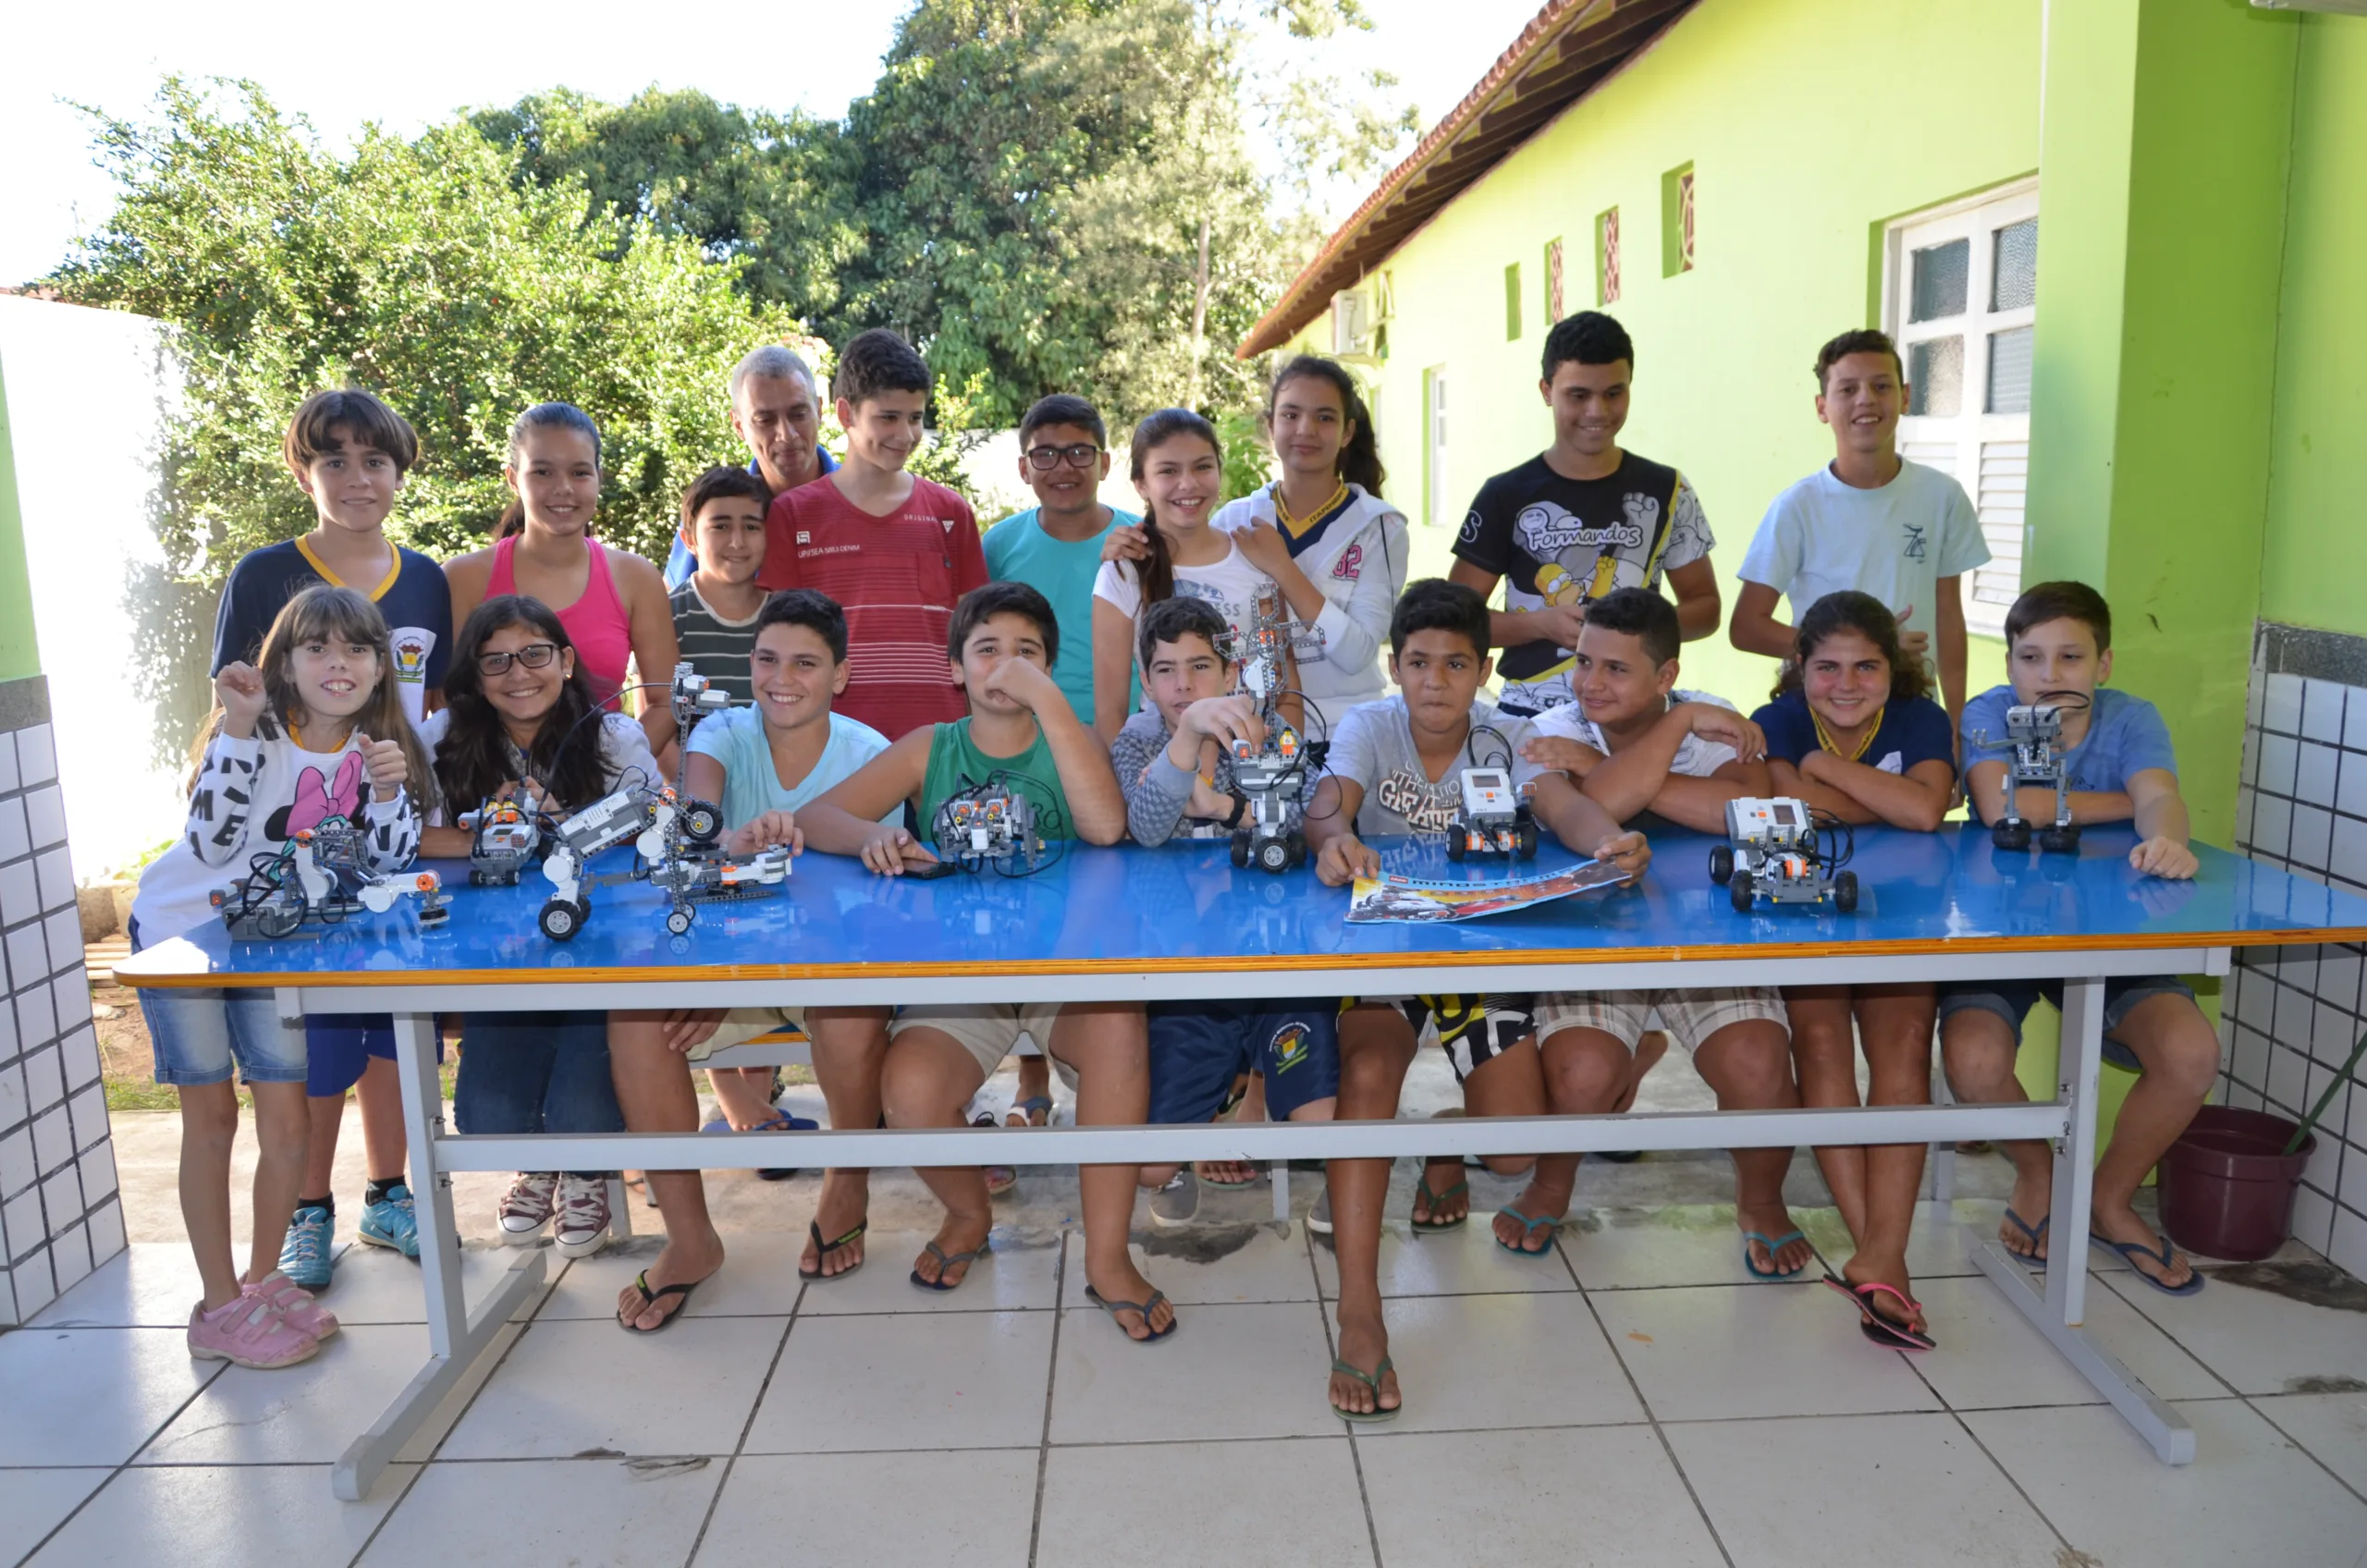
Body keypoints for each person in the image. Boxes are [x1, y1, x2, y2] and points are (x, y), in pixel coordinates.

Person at [1306, 579, 1649, 1420]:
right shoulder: (1367, 726)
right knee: (1369, 1083)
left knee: (1512, 1152)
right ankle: (1360, 1310)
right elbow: (1329, 805)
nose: (1434, 681)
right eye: (1418, 663)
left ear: (1483, 669)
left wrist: (1605, 839)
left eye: (1455, 664)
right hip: (1383, 961)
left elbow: (1560, 802)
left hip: (1474, 963)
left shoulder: (1510, 734)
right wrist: (1333, 838)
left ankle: (1449, 1146)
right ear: (1394, 666)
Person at [798, 582, 1176, 1341]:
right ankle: (969, 1212)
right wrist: (873, 838)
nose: (1007, 665)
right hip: (960, 981)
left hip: (1065, 976)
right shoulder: (929, 749)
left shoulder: (1071, 745)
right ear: (956, 668)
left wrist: (1050, 704)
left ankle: (1107, 1257)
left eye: (1028, 652)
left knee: (1122, 1034)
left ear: (1051, 667)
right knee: (908, 1092)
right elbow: (817, 816)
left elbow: (1104, 828)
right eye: (988, 650)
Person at [130, 584, 430, 1367]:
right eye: (318, 648)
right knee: (213, 1120)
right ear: (286, 665)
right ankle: (217, 1303)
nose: (340, 663)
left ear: (378, 668)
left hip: (271, 950)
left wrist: (393, 791)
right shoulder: (255, 735)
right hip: (186, 942)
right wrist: (234, 727)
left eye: (357, 650)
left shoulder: (374, 752)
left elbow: (386, 865)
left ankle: (262, 1284)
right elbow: (212, 840)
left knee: (289, 1122)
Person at [607, 592, 900, 1331]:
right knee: (636, 1017)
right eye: (767, 659)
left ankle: (847, 1185)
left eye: (806, 662)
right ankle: (691, 1239)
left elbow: (871, 910)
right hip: (733, 960)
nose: (782, 677)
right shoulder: (722, 733)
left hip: (830, 965)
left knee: (849, 1007)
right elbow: (697, 822)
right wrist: (724, 849)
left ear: (841, 674)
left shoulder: (872, 756)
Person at [213, 389, 448, 1293]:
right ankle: (312, 1206)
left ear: (399, 472)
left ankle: (391, 1195)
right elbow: (233, 707)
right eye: (335, 460)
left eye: (375, 461)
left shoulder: (425, 577)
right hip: (292, 851)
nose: (358, 478)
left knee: (397, 1031)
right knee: (316, 1036)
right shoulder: (265, 572)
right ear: (300, 469)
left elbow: (443, 707)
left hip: (395, 830)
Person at [1517, 587, 1812, 1278]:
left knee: (1758, 1065)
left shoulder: (1718, 723)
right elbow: (1588, 812)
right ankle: (1551, 1184)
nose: (1590, 683)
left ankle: (1763, 1203)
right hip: (1596, 934)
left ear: (1666, 677)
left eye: (1615, 669)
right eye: (1583, 661)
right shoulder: (1548, 723)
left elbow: (1756, 810)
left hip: (1707, 934)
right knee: (1583, 1073)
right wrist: (1673, 738)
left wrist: (1617, 764)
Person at [1941, 581, 2217, 1295]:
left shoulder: (2133, 718)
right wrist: (2125, 803)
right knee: (1972, 1064)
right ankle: (2042, 1172)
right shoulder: (1988, 714)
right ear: (2008, 666)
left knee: (2190, 1053)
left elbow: (2160, 797)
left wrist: (2168, 840)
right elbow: (2010, 807)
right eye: (2031, 657)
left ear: (2104, 663)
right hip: (1997, 930)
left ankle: (2107, 1198)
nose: (2050, 673)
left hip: (2111, 931)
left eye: (2070, 656)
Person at [420, 596, 655, 1264]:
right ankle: (539, 1162)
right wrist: (498, 836)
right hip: (496, 953)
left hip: (600, 944)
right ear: (474, 674)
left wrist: (566, 827)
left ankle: (583, 1166)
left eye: (535, 654)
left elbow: (649, 824)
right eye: (495, 660)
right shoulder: (441, 738)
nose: (517, 673)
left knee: (585, 1102)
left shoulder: (612, 737)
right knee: (485, 1117)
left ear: (566, 661)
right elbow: (412, 836)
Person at [1752, 590, 1956, 1350]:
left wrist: (1815, 772)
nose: (1846, 683)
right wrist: (1881, 796)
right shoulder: (1772, 720)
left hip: (1909, 907)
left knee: (1903, 1048)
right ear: (1799, 665)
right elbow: (1791, 816)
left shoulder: (1920, 718)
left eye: (1866, 666)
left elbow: (1929, 814)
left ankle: (1878, 1257)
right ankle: (1883, 1255)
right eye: (1827, 666)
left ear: (1891, 668)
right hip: (1803, 907)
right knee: (1823, 1047)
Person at [1111, 595, 1335, 1224]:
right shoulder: (1139, 738)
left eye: (1200, 667)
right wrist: (1187, 735)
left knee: (1319, 1127)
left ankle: (1260, 1085)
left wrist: (1223, 811)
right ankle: (1213, 1103)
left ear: (1232, 672)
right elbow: (1149, 826)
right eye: (1164, 670)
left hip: (1275, 958)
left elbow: (1300, 827)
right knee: (1152, 1166)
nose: (1184, 685)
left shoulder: (1273, 733)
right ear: (1145, 680)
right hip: (1185, 970)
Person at [1450, 311, 1719, 718]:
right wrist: (1542, 624)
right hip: (1529, 715)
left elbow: (1706, 608)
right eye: (1578, 395)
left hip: (1637, 715)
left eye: (1614, 393)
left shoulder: (1668, 490)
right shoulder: (1503, 494)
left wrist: (1632, 636)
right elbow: (1455, 622)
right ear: (1546, 390)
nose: (1597, 411)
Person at [1731, 328, 1990, 729]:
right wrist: (1865, 651)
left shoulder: (1942, 497)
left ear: (1904, 397)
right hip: (1820, 711)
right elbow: (1746, 628)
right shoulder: (1797, 507)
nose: (1866, 399)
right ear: (1822, 407)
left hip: (1911, 710)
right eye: (1848, 389)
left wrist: (1955, 725)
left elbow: (1948, 619)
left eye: (1881, 386)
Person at [756, 329, 986, 740]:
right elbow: (785, 647)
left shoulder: (951, 513)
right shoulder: (793, 515)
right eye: (889, 417)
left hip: (940, 748)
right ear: (846, 415)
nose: (907, 435)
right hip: (834, 749)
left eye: (915, 417)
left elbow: (974, 640)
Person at [445, 402, 681, 758]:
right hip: (491, 796)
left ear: (600, 477)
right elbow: (447, 706)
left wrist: (604, 774)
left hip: (599, 802)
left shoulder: (636, 579)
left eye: (580, 473)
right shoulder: (463, 578)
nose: (563, 488)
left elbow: (666, 701)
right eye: (542, 472)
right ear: (513, 478)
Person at [1090, 409, 1294, 742]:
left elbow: (1285, 682)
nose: (1188, 483)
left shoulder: (1255, 557)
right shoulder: (1123, 572)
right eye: (1168, 471)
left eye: (1202, 467)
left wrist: (1284, 763)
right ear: (1141, 485)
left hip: (1256, 761)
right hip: (1165, 768)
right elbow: (1110, 711)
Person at [983, 394, 1142, 725]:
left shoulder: (1138, 540)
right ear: (1024, 469)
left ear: (1105, 464)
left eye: (1080, 453)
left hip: (1128, 734)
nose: (1064, 467)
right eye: (1046, 455)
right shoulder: (998, 545)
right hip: (1026, 735)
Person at [666, 343, 838, 588]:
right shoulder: (714, 510)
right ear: (738, 426)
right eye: (765, 420)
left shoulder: (866, 497)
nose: (786, 435)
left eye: (798, 414)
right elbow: (672, 605)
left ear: (820, 410)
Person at [669, 466, 774, 703]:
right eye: (720, 526)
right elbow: (654, 714)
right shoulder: (666, 616)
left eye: (751, 527)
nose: (737, 542)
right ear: (689, 540)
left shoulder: (784, 617)